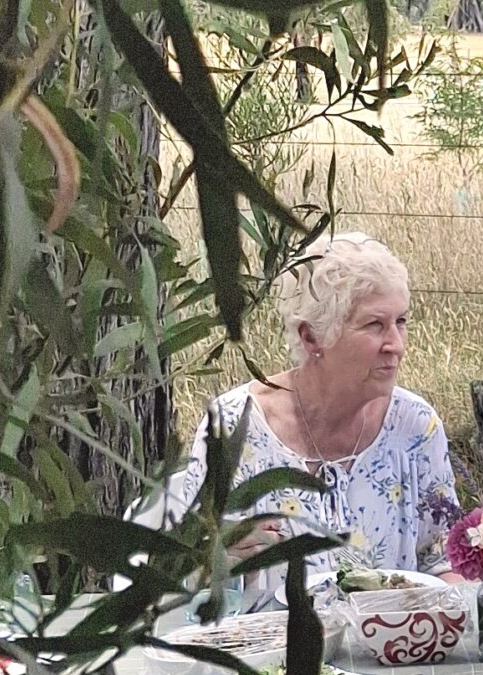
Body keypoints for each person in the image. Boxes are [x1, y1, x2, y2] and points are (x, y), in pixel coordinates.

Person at [160, 232, 457, 585]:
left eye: (401, 322)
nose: (396, 344)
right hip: (264, 638)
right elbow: (185, 576)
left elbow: (445, 563)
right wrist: (218, 560)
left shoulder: (415, 427)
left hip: (392, 639)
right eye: (374, 325)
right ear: (311, 337)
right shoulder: (232, 427)